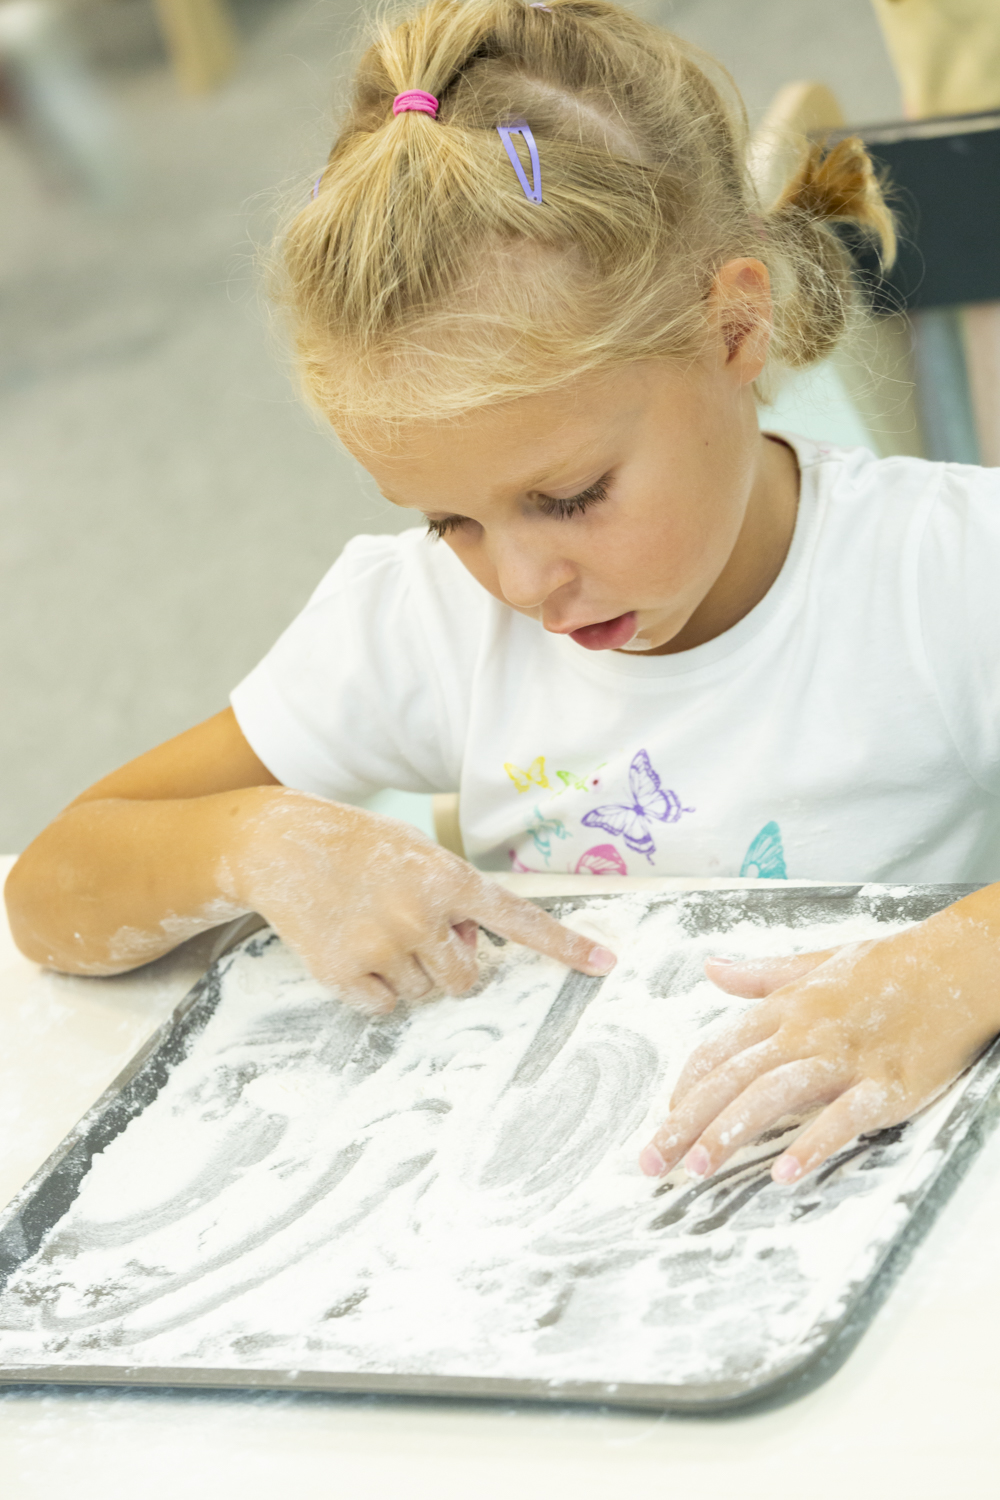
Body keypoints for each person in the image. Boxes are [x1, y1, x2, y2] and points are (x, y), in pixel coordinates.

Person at [7, 0, 1000, 1191]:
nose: (522, 581)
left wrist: (965, 962)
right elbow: (53, 892)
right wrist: (247, 837)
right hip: (573, 1202)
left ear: (735, 327)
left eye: (572, 495)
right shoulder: (425, 620)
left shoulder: (942, 571)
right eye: (448, 519)